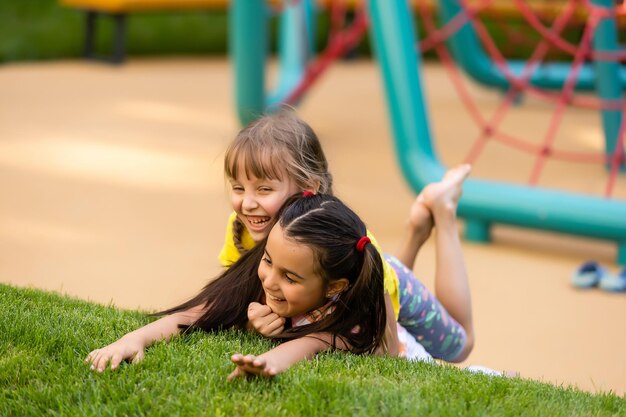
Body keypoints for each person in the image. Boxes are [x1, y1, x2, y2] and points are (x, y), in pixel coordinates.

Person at [85, 166, 475, 379]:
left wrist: (272, 361)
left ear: (333, 288)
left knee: (460, 346)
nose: (270, 281)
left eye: (289, 278)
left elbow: (318, 344)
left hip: (386, 288)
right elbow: (196, 314)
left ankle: (441, 213)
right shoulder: (284, 250)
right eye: (268, 263)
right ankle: (417, 230)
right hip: (351, 272)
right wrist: (131, 340)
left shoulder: (355, 314)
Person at [218, 110, 433, 343]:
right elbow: (234, 299)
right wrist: (251, 320)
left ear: (309, 188)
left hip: (399, 288)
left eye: (264, 189)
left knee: (458, 345)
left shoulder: (354, 244)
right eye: (238, 188)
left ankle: (427, 223)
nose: (247, 204)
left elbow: (386, 346)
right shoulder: (240, 227)